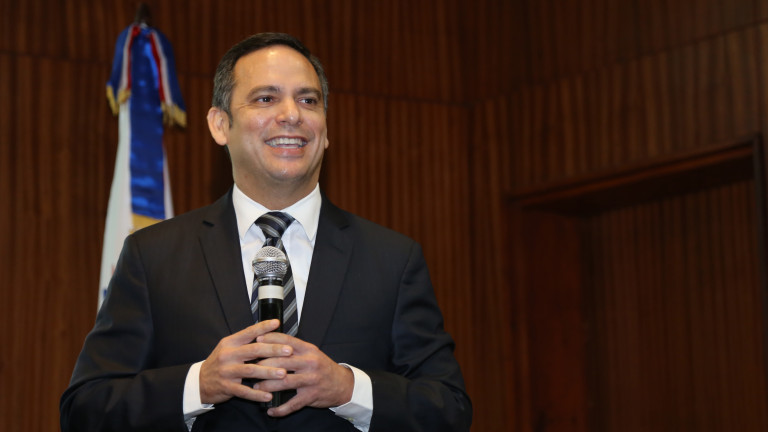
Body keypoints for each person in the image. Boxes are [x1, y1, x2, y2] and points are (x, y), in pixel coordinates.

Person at [60, 32, 472, 431]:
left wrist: (348, 389)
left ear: (325, 129)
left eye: (308, 100)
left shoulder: (392, 260)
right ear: (220, 125)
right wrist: (198, 384)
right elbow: (85, 409)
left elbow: (449, 409)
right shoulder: (153, 256)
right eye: (266, 98)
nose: (292, 114)